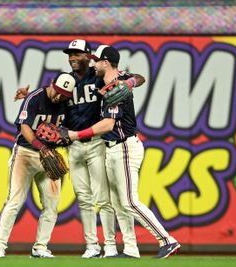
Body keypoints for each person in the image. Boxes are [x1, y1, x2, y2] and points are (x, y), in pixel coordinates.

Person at [14, 39, 145, 258]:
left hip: (96, 143)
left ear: (88, 56)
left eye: (77, 54)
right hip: (73, 145)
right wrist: (27, 97)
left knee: (103, 198)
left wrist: (130, 83)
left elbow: (138, 77)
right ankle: (92, 246)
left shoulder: (99, 74)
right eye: (70, 54)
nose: (73, 58)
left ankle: (110, 246)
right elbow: (49, 96)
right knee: (83, 197)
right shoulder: (66, 80)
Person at [67, 45, 181, 259]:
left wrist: (74, 135)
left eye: (96, 61)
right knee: (119, 203)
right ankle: (130, 249)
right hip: (111, 149)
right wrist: (131, 82)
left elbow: (107, 125)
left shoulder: (113, 86)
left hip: (125, 146)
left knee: (129, 200)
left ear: (106, 62)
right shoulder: (112, 81)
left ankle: (167, 240)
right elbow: (138, 78)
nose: (93, 64)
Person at [0, 72, 76, 258]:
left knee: (52, 204)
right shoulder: (35, 98)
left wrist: (63, 141)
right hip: (25, 153)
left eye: (64, 94)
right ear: (52, 83)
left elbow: (68, 131)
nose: (60, 96)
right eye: (59, 91)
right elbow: (25, 127)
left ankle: (40, 247)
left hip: (50, 157)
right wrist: (41, 146)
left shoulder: (66, 103)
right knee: (15, 200)